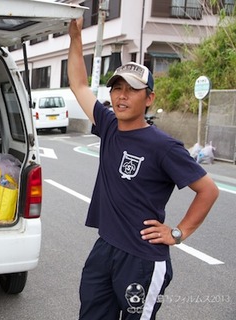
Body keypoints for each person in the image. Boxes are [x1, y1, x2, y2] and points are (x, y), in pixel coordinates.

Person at [67, 18, 219, 320]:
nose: (122, 96)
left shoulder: (163, 145)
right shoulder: (109, 125)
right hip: (105, 247)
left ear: (149, 98)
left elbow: (208, 190)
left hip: (142, 259)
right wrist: (75, 36)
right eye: (117, 88)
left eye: (132, 90)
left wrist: (178, 233)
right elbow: (79, 85)